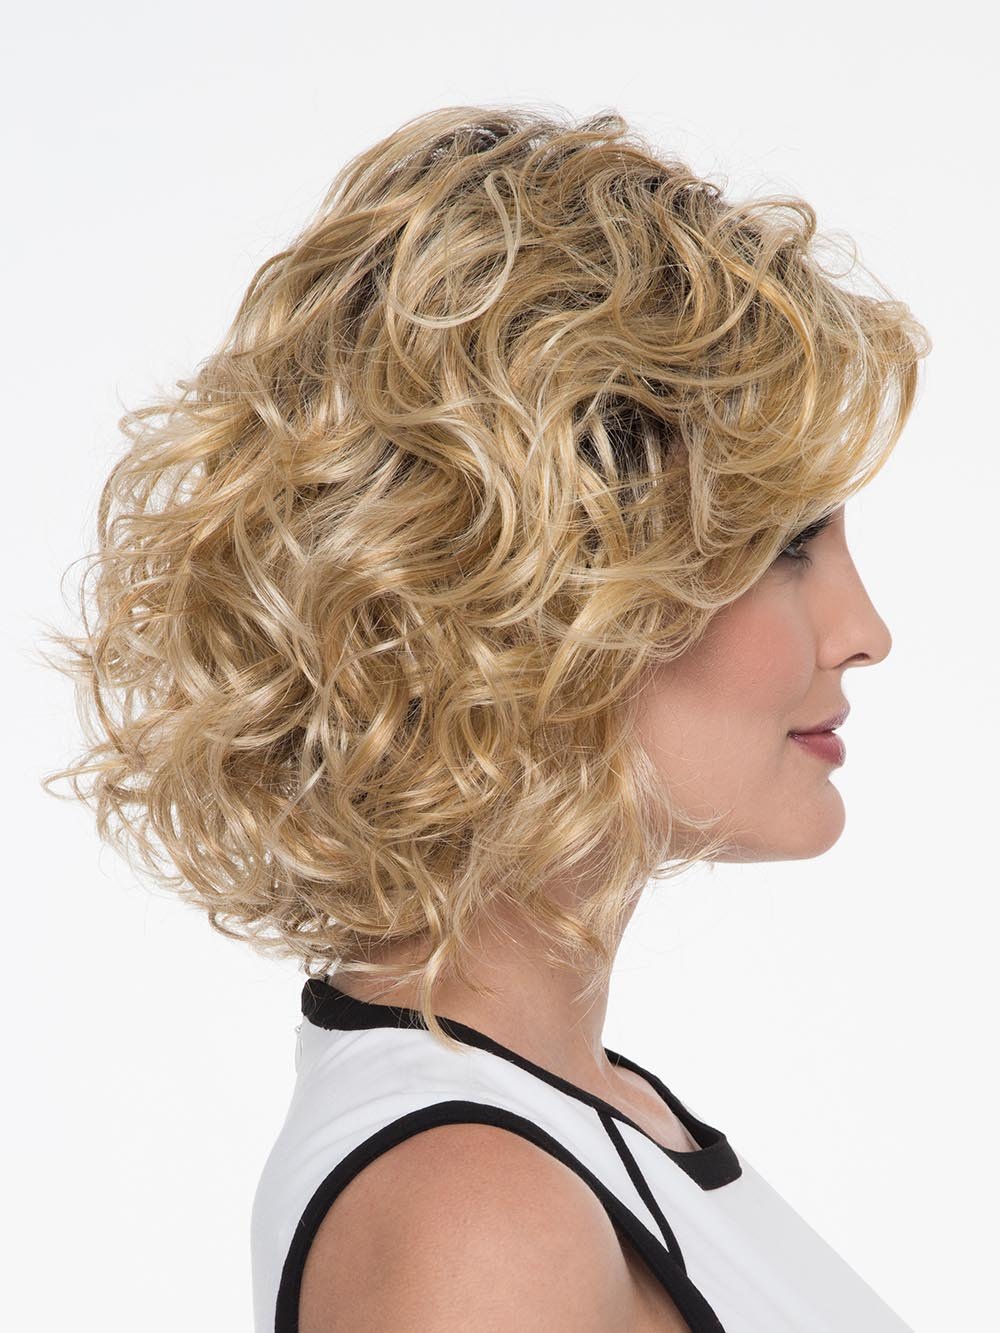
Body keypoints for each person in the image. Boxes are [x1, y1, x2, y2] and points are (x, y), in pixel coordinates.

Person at [40, 104, 930, 1330]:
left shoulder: (580, 1126)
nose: (864, 628)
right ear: (549, 592)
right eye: (785, 544)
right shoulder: (477, 1217)